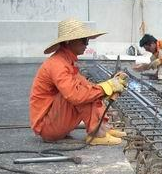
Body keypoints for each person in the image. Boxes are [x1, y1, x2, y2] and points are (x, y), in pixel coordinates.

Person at [29, 18, 128, 146]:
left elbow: (90, 87)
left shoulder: (65, 62)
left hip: (53, 122)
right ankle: (97, 133)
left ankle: (102, 127)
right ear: (69, 41)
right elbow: (76, 95)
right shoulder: (57, 64)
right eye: (83, 40)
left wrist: (110, 86)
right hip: (47, 127)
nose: (87, 44)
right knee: (82, 93)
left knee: (89, 88)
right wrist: (106, 87)